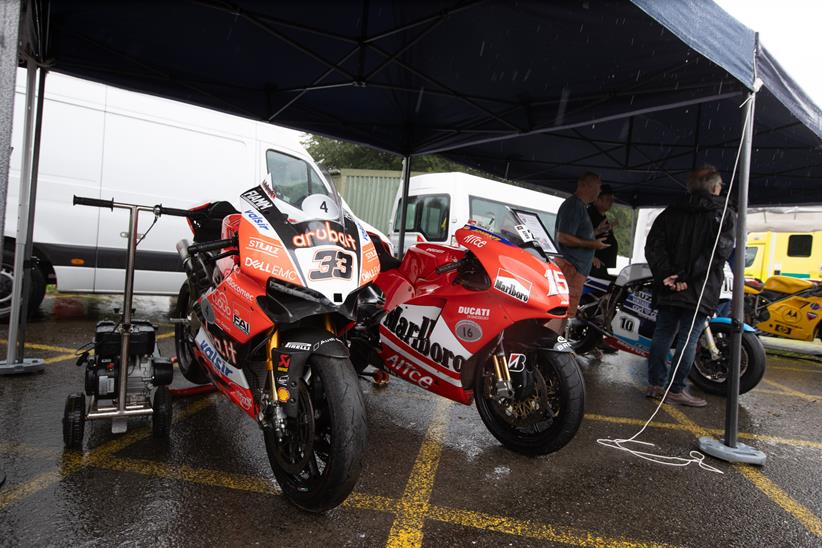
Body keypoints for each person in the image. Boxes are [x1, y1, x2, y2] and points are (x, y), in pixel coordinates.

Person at [644, 165, 735, 407]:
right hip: (699, 287)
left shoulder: (671, 212)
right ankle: (675, 389)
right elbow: (719, 252)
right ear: (715, 188)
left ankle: (655, 384)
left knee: (663, 334)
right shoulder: (723, 213)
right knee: (688, 338)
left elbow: (653, 246)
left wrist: (667, 275)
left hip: (670, 285)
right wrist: (685, 276)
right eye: (721, 185)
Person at [554, 172, 609, 331]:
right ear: (586, 185)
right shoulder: (574, 205)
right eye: (598, 187)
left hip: (575, 269)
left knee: (566, 312)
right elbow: (563, 237)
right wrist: (593, 244)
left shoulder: (579, 206)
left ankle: (555, 345)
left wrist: (596, 231)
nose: (599, 192)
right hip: (570, 268)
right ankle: (549, 349)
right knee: (560, 312)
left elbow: (575, 235)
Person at [587, 184, 618, 280]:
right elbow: (579, 238)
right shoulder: (589, 214)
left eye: (612, 200)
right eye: (608, 199)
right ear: (597, 199)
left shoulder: (601, 216)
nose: (611, 202)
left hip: (600, 265)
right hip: (593, 265)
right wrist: (590, 257)